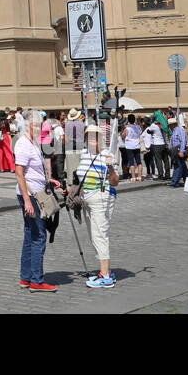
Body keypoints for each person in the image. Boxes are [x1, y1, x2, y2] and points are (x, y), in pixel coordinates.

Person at [14, 110, 55, 293]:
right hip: (31, 196)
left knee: (30, 236)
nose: (38, 129)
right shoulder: (23, 143)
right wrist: (27, 200)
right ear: (27, 125)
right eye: (35, 125)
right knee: (39, 237)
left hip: (36, 191)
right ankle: (37, 280)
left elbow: (33, 171)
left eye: (40, 125)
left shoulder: (32, 142)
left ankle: (25, 277)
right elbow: (19, 173)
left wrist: (47, 181)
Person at [74, 123, 119, 288]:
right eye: (88, 136)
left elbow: (115, 182)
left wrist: (110, 168)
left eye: (95, 136)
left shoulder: (107, 154)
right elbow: (79, 176)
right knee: (94, 235)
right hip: (86, 199)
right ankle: (104, 270)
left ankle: (105, 276)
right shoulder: (83, 154)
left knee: (100, 234)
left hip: (102, 197)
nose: (91, 139)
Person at [168, 116, 188, 186]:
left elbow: (183, 141)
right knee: (182, 165)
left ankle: (174, 182)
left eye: (170, 125)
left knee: (178, 165)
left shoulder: (180, 130)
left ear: (174, 124)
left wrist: (181, 151)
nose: (169, 127)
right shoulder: (173, 131)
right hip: (175, 150)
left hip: (179, 149)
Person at [120, 114, 142, 181]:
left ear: (128, 120)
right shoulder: (138, 127)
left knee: (131, 162)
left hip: (129, 146)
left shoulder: (126, 127)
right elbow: (140, 133)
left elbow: (123, 136)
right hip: (137, 145)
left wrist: (121, 132)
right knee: (139, 162)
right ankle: (139, 176)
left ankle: (133, 176)